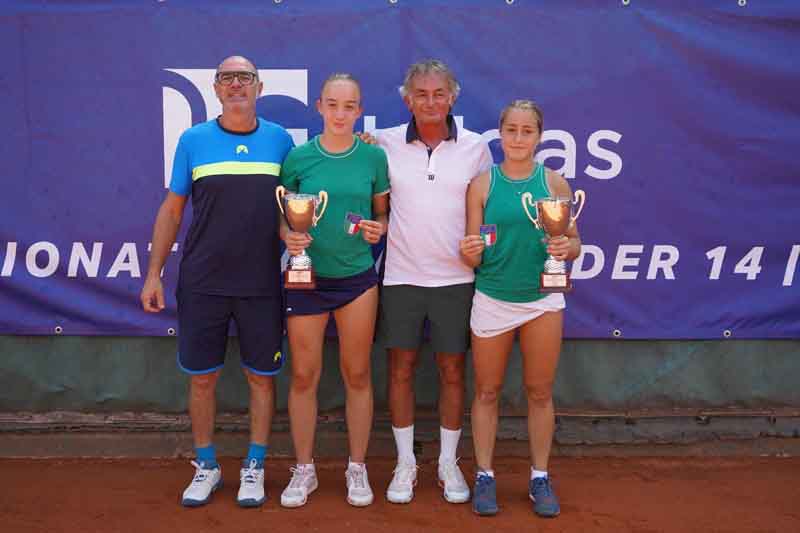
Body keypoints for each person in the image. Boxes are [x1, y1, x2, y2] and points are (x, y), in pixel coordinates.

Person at [140, 56, 294, 508]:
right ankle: (206, 465)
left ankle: (255, 467)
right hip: (203, 281)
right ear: (216, 88)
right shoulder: (194, 140)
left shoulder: (280, 140)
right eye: (227, 78)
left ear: (259, 86)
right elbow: (172, 210)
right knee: (202, 379)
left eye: (244, 78)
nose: (236, 85)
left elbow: (294, 204)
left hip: (262, 280)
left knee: (261, 378)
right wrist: (154, 273)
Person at [374, 59, 493, 504]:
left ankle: (447, 463)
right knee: (400, 368)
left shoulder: (477, 148)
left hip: (457, 280)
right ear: (407, 99)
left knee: (452, 370)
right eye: (420, 94)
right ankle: (406, 463)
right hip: (401, 277)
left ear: (452, 97)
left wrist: (480, 245)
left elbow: (487, 212)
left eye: (438, 93)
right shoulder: (383, 142)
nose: (430, 102)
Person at [460, 100, 581, 517]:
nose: (517, 138)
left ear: (539, 136)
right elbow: (471, 255)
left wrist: (566, 247)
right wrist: (470, 250)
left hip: (543, 301)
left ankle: (540, 476)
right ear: (500, 133)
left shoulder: (555, 184)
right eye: (511, 130)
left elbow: (575, 242)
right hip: (492, 298)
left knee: (540, 392)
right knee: (487, 391)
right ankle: (485, 475)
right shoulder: (482, 184)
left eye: (526, 131)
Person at [278, 73, 389, 508]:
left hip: (358, 279)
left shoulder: (373, 159)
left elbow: (383, 213)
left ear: (359, 110)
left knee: (357, 374)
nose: (341, 114)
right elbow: (284, 216)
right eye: (333, 105)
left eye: (350, 106)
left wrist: (381, 229)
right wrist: (288, 235)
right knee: (304, 375)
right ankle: (304, 468)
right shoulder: (298, 158)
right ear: (319, 107)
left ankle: (356, 467)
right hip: (306, 279)